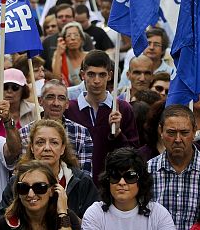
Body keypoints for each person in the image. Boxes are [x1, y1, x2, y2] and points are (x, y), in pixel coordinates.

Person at [0, 119, 99, 219]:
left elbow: (93, 224)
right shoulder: (17, 182)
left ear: (63, 148)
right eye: (40, 142)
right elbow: (0, 220)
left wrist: (65, 213)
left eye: (54, 143)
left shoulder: (82, 182)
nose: (47, 148)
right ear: (32, 147)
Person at [146, 104, 200, 230]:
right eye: (171, 133)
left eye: (184, 133)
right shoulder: (148, 170)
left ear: (194, 131)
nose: (178, 139)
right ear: (161, 131)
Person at [65, 51, 139, 184]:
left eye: (102, 74)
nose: (97, 81)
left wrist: (118, 134)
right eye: (91, 74)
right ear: (82, 75)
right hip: (77, 185)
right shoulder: (70, 109)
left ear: (110, 75)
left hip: (113, 184)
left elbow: (134, 154)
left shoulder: (123, 108)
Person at [81, 147, 175, 230]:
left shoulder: (158, 214)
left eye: (130, 176)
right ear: (107, 180)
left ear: (141, 180)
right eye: (115, 176)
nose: (121, 182)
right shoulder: (95, 213)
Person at [20, 79, 94, 176]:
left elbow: (85, 178)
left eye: (61, 98)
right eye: (50, 97)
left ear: (67, 104)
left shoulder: (81, 133)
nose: (56, 103)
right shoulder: (25, 133)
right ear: (40, 101)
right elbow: (23, 171)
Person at [0, 160, 80, 230]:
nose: (31, 194)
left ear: (52, 190)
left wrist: (62, 212)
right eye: (23, 187)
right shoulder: (7, 224)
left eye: (39, 187)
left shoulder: (67, 219)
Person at [0, 68, 38, 137]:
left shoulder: (36, 110)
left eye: (15, 87)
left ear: (23, 90)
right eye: (5, 87)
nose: (9, 91)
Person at [52, 22, 89, 86]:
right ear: (64, 40)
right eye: (68, 35)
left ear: (81, 39)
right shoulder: (60, 57)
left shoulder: (89, 57)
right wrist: (58, 53)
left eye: (76, 35)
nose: (72, 38)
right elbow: (56, 80)